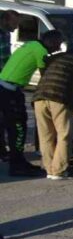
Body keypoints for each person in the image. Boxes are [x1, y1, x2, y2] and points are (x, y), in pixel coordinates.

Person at [0, 29, 65, 177]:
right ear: (51, 42)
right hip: (9, 90)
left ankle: (18, 160)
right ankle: (16, 165)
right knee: (18, 128)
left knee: (16, 126)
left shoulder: (31, 45)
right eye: (58, 44)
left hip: (8, 87)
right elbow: (46, 75)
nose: (59, 48)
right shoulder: (40, 51)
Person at [33, 45, 73, 180]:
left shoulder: (54, 59)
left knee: (45, 136)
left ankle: (49, 168)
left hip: (39, 97)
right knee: (63, 134)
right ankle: (58, 170)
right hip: (59, 98)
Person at [0, 9, 20, 163]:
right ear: (5, 20)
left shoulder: (6, 35)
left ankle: (3, 150)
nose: (17, 26)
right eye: (14, 23)